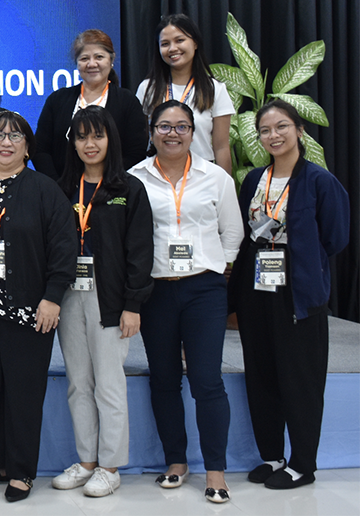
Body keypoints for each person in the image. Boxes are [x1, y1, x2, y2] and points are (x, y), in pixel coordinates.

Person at [0, 110, 75, 502]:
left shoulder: (44, 188)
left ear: (27, 146)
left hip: (29, 310)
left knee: (24, 393)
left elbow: (64, 248)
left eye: (15, 136)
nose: (6, 142)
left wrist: (53, 297)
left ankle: (21, 471)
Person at [128, 100, 243, 504]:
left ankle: (216, 470)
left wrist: (216, 269)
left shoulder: (216, 178)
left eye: (181, 126)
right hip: (156, 290)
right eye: (164, 126)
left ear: (194, 133)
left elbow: (233, 232)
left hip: (203, 290)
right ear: (151, 132)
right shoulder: (134, 178)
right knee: (163, 378)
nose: (172, 133)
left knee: (207, 379)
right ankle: (176, 462)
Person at [231, 100, 349, 490]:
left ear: (299, 130)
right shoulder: (254, 181)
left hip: (297, 294)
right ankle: (272, 456)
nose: (273, 136)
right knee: (261, 375)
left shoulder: (319, 181)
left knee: (299, 379)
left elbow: (334, 237)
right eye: (265, 130)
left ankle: (302, 463)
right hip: (257, 291)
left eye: (282, 127)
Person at [51, 106, 153, 498]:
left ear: (111, 139)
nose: (89, 144)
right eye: (81, 137)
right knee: (79, 382)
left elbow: (140, 251)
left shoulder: (128, 189)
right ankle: (87, 461)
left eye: (97, 136)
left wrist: (133, 304)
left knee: (109, 384)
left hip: (110, 297)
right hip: (68, 294)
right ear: (72, 143)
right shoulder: (60, 188)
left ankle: (110, 466)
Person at [32, 29, 147, 180]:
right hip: (61, 192)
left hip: (111, 189)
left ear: (111, 60)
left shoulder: (127, 101)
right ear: (77, 63)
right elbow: (40, 150)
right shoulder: (58, 100)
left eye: (99, 57)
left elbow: (135, 152)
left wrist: (102, 182)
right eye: (84, 58)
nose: (92, 64)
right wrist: (56, 187)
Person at [136, 14, 234, 173]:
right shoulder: (147, 88)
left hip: (202, 175)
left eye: (179, 40)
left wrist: (225, 187)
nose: (173, 48)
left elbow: (221, 147)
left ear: (195, 43)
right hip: (156, 175)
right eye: (165, 44)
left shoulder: (214, 89)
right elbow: (139, 141)